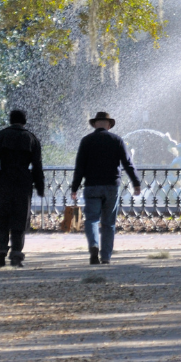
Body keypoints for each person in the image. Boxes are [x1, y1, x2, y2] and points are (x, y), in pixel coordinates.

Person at [70, 111, 141, 265]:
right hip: (111, 186)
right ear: (109, 125)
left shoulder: (86, 141)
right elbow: (128, 163)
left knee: (92, 220)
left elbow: (80, 167)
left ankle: (94, 245)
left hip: (92, 186)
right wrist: (136, 182)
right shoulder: (117, 140)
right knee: (109, 223)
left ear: (95, 124)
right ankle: (106, 257)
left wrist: (74, 187)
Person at [0, 109, 44, 268]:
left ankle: (1, 249)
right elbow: (37, 166)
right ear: (24, 121)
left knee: (2, 216)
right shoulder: (31, 138)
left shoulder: (0, 136)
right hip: (23, 182)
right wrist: (40, 187)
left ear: (10, 120)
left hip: (4, 180)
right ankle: (16, 255)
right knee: (20, 218)